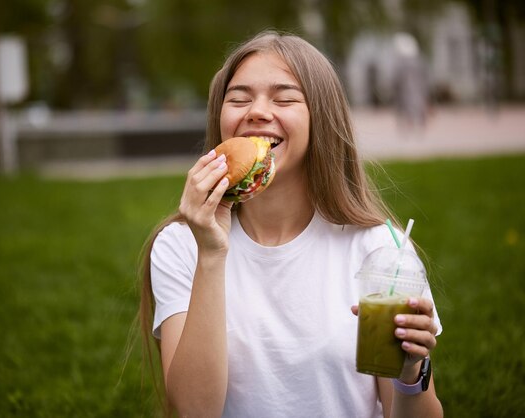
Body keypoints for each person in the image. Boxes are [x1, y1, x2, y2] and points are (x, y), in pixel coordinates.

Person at [139, 30, 443, 418]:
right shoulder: (181, 245)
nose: (257, 112)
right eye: (238, 99)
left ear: (323, 118)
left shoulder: (381, 250)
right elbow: (194, 412)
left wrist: (409, 374)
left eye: (284, 98)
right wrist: (211, 254)